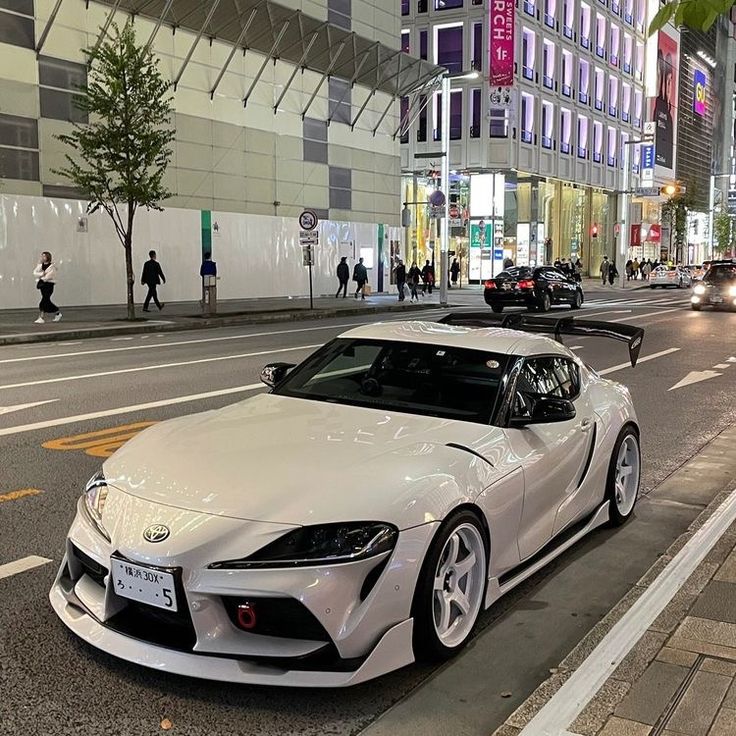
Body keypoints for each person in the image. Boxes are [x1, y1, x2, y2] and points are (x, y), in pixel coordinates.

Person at [33, 251, 61, 323]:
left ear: (48, 257)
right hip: (42, 285)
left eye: (44, 256)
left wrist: (42, 279)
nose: (42, 257)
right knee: (47, 301)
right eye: (42, 256)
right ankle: (57, 312)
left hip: (49, 285)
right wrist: (42, 274)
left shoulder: (52, 266)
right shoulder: (40, 265)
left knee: (44, 300)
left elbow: (49, 276)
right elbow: (35, 272)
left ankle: (41, 317)